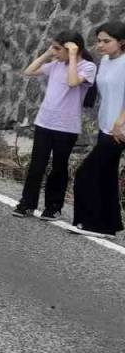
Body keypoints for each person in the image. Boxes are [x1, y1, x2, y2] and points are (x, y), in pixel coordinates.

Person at [14, 31, 96, 220]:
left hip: (66, 127)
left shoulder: (88, 67)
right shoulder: (55, 64)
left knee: (59, 167)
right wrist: (47, 53)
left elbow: (72, 82)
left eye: (58, 49)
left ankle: (53, 207)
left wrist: (73, 56)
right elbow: (28, 71)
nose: (55, 52)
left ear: (73, 49)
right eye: (54, 48)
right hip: (44, 123)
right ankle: (27, 204)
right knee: (36, 166)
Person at [73, 22, 125, 238]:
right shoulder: (104, 61)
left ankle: (94, 224)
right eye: (99, 41)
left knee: (87, 173)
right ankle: (109, 226)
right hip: (106, 126)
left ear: (121, 42)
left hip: (119, 130)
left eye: (106, 41)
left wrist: (120, 122)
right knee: (106, 175)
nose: (100, 45)